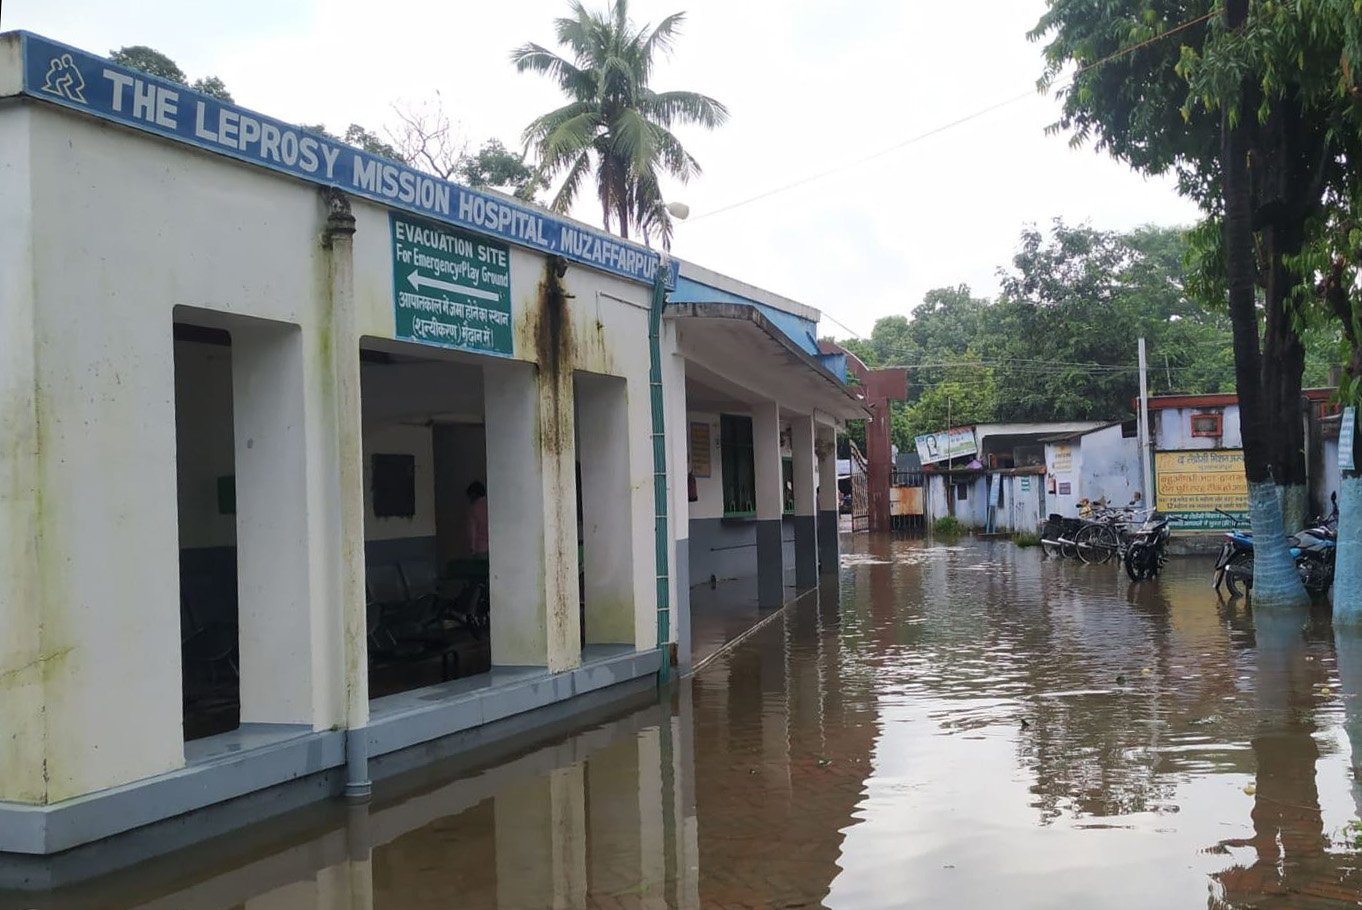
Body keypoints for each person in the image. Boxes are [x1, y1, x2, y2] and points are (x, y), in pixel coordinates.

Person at [466, 481, 488, 557]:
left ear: (473, 494)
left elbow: (473, 530)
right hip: (493, 546)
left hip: (480, 547)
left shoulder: (474, 509)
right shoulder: (490, 505)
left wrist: (472, 548)